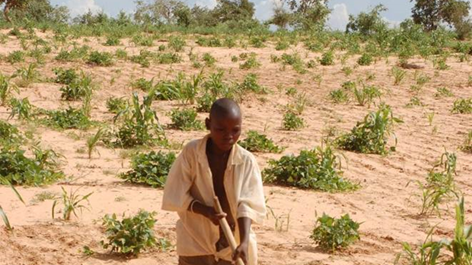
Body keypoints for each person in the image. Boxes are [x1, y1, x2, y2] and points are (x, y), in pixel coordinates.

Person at [162, 98, 266, 265]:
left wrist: (244, 242)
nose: (229, 136)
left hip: (232, 246)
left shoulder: (246, 161)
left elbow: (248, 205)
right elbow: (176, 194)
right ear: (208, 124)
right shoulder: (191, 153)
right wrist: (206, 211)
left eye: (235, 130)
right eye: (221, 129)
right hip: (195, 241)